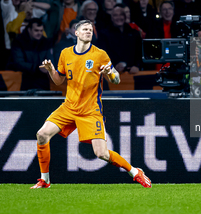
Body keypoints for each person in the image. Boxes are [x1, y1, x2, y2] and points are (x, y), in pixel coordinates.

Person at [30, 19, 151, 189]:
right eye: (85, 29)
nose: (89, 31)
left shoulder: (99, 54)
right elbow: (59, 81)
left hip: (90, 110)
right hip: (69, 107)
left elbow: (116, 79)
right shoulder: (65, 53)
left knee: (101, 153)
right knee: (42, 134)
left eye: (91, 29)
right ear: (76, 33)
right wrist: (50, 70)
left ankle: (135, 172)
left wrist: (110, 73)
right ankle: (45, 180)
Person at [7, 18, 54, 91]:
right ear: (29, 30)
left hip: (42, 81)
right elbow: (18, 63)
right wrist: (37, 68)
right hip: (23, 81)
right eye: (36, 30)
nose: (39, 33)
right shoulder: (18, 42)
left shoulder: (46, 43)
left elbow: (50, 60)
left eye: (41, 31)